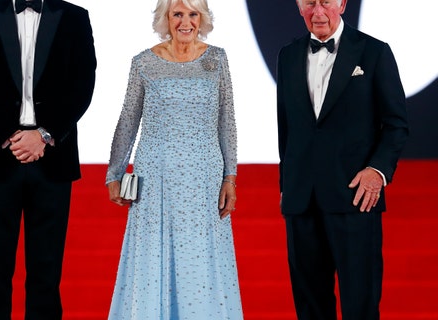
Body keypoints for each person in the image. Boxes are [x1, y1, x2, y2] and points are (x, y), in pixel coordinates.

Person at [105, 0, 243, 318]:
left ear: (202, 18)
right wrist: (114, 173)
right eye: (177, 14)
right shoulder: (143, 63)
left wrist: (230, 178)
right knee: (152, 257)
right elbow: (128, 120)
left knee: (201, 261)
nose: (185, 22)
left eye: (192, 14)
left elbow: (227, 121)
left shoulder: (217, 59)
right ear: (165, 18)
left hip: (204, 178)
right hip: (154, 177)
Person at [0, 0, 96, 318]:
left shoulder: (75, 17)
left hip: (52, 159)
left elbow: (82, 84)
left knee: (46, 276)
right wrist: (8, 134)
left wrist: (44, 135)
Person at [276, 0, 409, 319]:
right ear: (298, 6)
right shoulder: (288, 55)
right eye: (309, 3)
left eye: (326, 2)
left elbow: (396, 124)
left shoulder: (375, 52)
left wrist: (377, 171)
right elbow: (286, 128)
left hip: (355, 197)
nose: (317, 11)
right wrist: (287, 185)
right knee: (309, 306)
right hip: (301, 201)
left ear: (343, 4)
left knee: (360, 304)